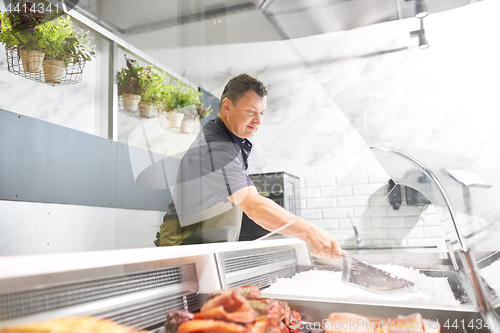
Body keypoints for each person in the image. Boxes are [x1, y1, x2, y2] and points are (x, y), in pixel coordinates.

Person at [163, 73, 344, 260]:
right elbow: (253, 206)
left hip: (207, 250)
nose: (259, 120)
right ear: (227, 106)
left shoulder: (232, 143)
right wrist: (310, 232)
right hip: (184, 250)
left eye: (261, 113)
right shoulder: (216, 147)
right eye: (251, 111)